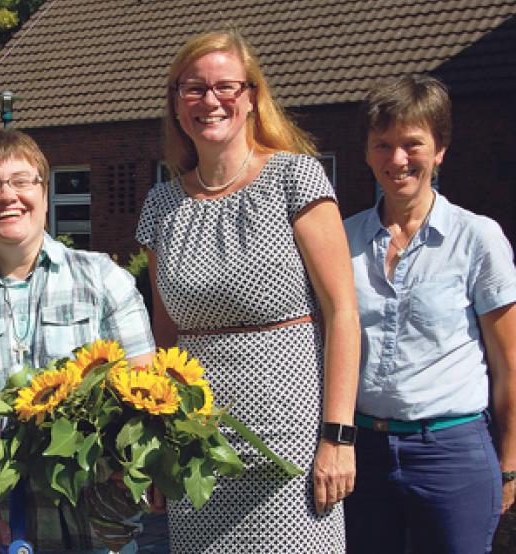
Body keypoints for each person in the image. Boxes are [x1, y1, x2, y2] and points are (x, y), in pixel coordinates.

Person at [136, 29, 360, 552]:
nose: (209, 101)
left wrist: (338, 437)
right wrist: (156, 445)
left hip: (295, 451)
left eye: (225, 87)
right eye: (192, 89)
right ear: (175, 103)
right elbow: (164, 339)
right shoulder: (160, 206)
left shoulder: (296, 179)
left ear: (252, 96)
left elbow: (344, 314)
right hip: (198, 453)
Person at [0, 128, 160, 554]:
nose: (7, 196)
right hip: (11, 520)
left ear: (44, 193)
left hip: (101, 511)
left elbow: (143, 388)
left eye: (21, 181)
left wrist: (126, 482)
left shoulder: (104, 279)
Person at [343, 75, 516, 553]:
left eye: (412, 144)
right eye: (383, 145)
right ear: (367, 153)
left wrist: (510, 465)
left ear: (440, 150)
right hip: (363, 454)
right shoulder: (342, 240)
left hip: (452, 453)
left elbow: (509, 366)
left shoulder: (477, 239)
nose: (397, 160)